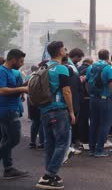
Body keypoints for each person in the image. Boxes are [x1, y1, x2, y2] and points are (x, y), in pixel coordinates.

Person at [35, 41, 75, 189]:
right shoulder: (61, 68)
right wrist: (71, 111)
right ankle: (48, 175)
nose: (65, 50)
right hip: (59, 109)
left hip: (45, 109)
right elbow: (66, 91)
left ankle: (49, 173)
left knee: (49, 143)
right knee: (62, 144)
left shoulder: (43, 66)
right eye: (64, 48)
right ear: (60, 51)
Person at [0, 49, 29, 180]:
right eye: (21, 61)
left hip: (11, 109)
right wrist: (22, 89)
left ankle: (8, 169)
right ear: (13, 59)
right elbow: (2, 90)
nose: (22, 64)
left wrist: (25, 85)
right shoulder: (2, 71)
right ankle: (8, 168)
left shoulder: (11, 72)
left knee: (6, 140)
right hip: (7, 111)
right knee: (14, 139)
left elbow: (12, 88)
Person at [86, 49, 112, 157]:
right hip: (105, 99)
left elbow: (87, 82)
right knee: (105, 125)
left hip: (93, 99)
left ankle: (91, 149)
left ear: (99, 56)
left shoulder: (91, 67)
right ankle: (99, 150)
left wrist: (90, 93)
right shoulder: (108, 67)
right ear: (108, 56)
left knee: (93, 124)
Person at [26, 65, 44, 149]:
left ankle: (32, 142)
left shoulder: (31, 76)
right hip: (41, 101)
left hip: (32, 101)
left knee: (35, 122)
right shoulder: (44, 76)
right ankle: (41, 143)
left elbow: (25, 87)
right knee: (41, 122)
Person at [77, 58, 92, 150]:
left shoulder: (77, 68)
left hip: (80, 98)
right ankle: (88, 139)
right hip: (88, 98)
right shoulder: (88, 70)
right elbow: (88, 84)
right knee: (90, 119)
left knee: (82, 119)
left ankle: (82, 138)